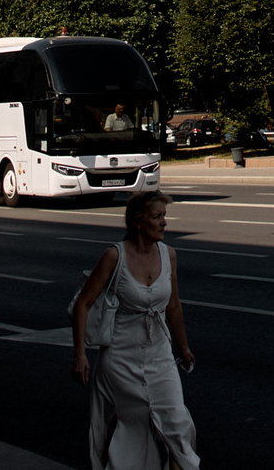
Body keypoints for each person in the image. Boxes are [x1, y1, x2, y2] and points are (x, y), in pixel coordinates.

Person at [70, 190, 198, 470]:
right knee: (134, 428)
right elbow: (83, 304)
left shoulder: (169, 255)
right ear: (138, 222)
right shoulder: (114, 256)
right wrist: (79, 355)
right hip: (120, 358)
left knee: (178, 425)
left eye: (164, 216)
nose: (164, 222)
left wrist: (184, 348)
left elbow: (173, 307)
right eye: (157, 217)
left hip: (160, 355)